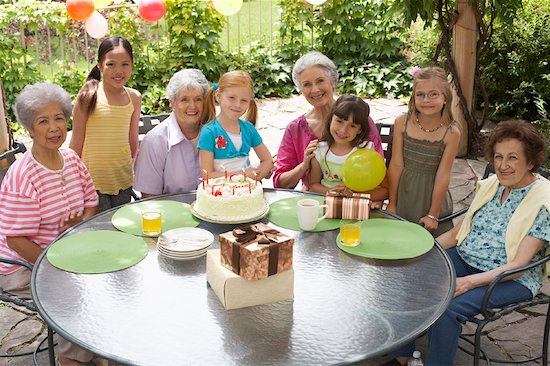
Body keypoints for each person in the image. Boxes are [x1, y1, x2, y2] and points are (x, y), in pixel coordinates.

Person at [386, 120, 549, 366]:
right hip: (467, 257)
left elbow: (519, 265)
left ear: (531, 161)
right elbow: (457, 234)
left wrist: (468, 283)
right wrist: (421, 252)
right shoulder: (493, 185)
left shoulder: (543, 201)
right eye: (498, 157)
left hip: (510, 277)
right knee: (404, 276)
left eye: (513, 158)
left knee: (448, 309)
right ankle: (404, 356)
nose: (503, 165)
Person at [0, 83, 99, 366]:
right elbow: (14, 241)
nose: (54, 127)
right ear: (30, 129)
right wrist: (55, 265)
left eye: (59, 118)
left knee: (111, 279)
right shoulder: (24, 176)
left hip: (68, 253)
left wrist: (81, 221)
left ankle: (98, 346)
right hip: (24, 264)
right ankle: (72, 359)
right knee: (73, 296)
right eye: (43, 121)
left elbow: (91, 201)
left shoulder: (70, 158)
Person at [273, 51, 383, 191]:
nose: (315, 89)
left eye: (320, 81)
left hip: (353, 201)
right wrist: (304, 166)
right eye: (306, 84)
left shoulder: (359, 119)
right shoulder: (295, 128)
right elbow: (280, 183)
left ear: (333, 82)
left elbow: (377, 171)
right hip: (313, 202)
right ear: (301, 89)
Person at [70, 36, 141, 211]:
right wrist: (72, 180)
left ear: (132, 65)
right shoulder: (88, 96)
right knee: (99, 233)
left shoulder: (134, 97)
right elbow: (76, 143)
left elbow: (133, 141)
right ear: (100, 65)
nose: (119, 71)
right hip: (92, 183)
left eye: (125, 64)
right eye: (111, 64)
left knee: (120, 230)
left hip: (122, 180)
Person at [387, 66, 461, 237]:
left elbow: (443, 174)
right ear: (413, 97)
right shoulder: (401, 123)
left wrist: (433, 214)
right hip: (405, 194)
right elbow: (397, 164)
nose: (426, 99)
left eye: (433, 94)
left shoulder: (451, 133)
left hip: (432, 197)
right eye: (420, 94)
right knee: (400, 240)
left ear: (445, 98)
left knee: (431, 247)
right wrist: (392, 202)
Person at [133, 69, 215, 197]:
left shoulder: (216, 134)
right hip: (170, 213)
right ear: (172, 102)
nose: (192, 106)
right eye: (184, 100)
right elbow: (149, 197)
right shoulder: (155, 141)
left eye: (198, 99)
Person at [308, 95, 389, 203]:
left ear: (360, 130)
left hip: (357, 210)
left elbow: (385, 191)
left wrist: (355, 195)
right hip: (327, 208)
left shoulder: (367, 151)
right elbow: (313, 186)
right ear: (330, 119)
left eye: (352, 126)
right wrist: (331, 192)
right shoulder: (319, 151)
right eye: (339, 121)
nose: (343, 130)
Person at [198, 70, 273, 180]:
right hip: (220, 194)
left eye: (244, 100)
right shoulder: (209, 132)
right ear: (218, 96)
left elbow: (267, 160)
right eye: (231, 98)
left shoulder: (249, 129)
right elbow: (207, 175)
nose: (237, 105)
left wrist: (257, 176)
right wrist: (244, 176)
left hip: (248, 191)